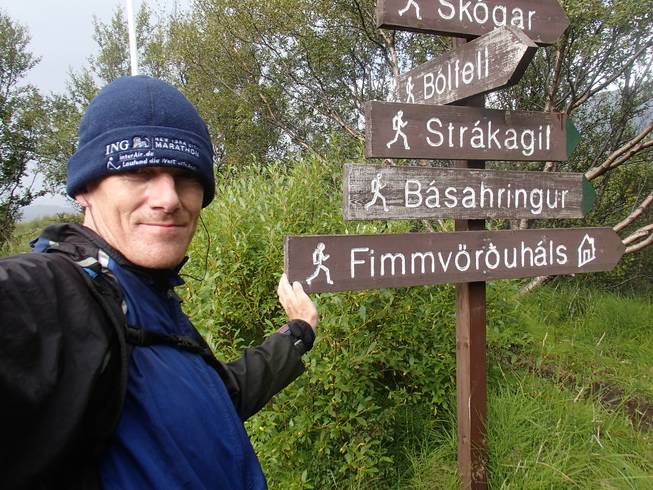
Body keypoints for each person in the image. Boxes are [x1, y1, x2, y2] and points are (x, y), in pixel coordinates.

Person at [0, 75, 318, 490]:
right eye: (137, 171)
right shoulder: (58, 293)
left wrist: (297, 333)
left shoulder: (151, 300)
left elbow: (215, 400)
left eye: (185, 176)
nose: (168, 199)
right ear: (85, 189)